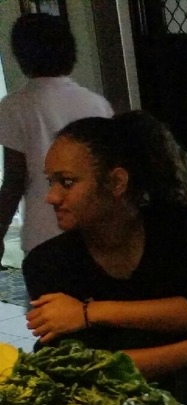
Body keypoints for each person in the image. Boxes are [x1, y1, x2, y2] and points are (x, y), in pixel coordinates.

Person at [22, 112, 187, 405]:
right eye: (51, 181)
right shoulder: (46, 263)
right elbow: (87, 369)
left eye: (67, 182)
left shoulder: (177, 226)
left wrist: (89, 313)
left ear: (116, 182)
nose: (51, 197)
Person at [0, 13, 113, 265]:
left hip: (43, 234)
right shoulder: (97, 103)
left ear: (22, 56)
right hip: (93, 230)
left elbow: (14, 179)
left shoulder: (13, 107)